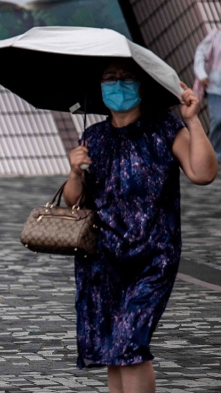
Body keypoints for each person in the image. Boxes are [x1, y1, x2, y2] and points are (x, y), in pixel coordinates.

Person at [63, 59, 217, 393]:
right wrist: (75, 171)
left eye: (127, 78)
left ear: (142, 86)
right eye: (110, 78)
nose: (118, 85)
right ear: (99, 87)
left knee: (129, 342)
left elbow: (203, 174)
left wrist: (192, 122)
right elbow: (74, 202)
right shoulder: (94, 136)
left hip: (153, 258)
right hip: (102, 261)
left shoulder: (164, 128)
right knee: (114, 349)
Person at [194, 28, 221, 162]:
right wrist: (202, 74)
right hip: (215, 87)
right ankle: (215, 153)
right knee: (218, 118)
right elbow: (200, 53)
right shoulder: (215, 36)